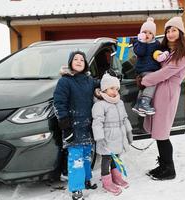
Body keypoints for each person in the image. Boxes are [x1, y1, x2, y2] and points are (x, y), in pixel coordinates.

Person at [141, 16, 185, 180]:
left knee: (162, 133)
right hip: (160, 90)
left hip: (168, 91)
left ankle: (169, 170)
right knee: (158, 132)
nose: (170, 34)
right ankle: (163, 165)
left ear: (180, 32)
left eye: (174, 30)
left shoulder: (184, 52)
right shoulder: (167, 50)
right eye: (168, 31)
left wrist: (145, 80)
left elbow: (165, 72)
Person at [53, 50, 98, 200]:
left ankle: (86, 180)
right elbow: (59, 104)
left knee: (87, 155)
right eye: (75, 59)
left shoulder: (89, 80)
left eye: (82, 60)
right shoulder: (65, 81)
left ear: (85, 64)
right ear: (70, 62)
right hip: (72, 126)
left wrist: (109, 77)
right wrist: (66, 127)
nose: (79, 61)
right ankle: (76, 189)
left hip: (87, 125)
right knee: (76, 158)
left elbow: (99, 88)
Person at [92, 73, 133, 195]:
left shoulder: (119, 102)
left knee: (117, 157)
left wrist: (129, 131)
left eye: (116, 89)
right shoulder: (99, 105)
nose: (114, 91)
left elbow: (125, 118)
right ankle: (106, 181)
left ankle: (116, 177)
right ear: (104, 89)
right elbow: (97, 122)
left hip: (119, 135)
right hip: (107, 136)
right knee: (107, 158)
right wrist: (99, 138)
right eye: (111, 88)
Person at [132, 17, 170, 117]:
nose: (147, 34)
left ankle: (138, 104)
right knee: (152, 82)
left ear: (153, 35)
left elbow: (162, 50)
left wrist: (165, 53)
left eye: (150, 33)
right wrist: (142, 41)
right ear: (141, 33)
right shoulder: (138, 43)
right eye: (144, 32)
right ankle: (145, 102)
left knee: (144, 87)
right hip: (143, 70)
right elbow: (140, 52)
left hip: (152, 69)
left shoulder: (156, 43)